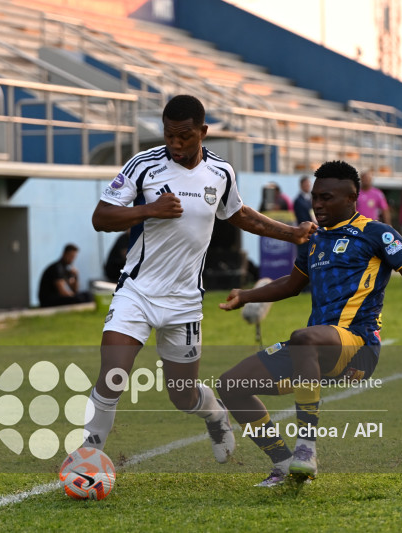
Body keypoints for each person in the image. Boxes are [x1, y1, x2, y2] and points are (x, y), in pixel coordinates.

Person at [82, 95, 317, 463]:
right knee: (113, 374)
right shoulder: (143, 166)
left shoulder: (220, 172)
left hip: (185, 301)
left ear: (203, 132)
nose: (175, 144)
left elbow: (237, 214)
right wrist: (149, 210)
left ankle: (214, 414)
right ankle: (88, 456)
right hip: (137, 292)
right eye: (169, 135)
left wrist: (291, 233)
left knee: (183, 395)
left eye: (184, 136)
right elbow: (100, 217)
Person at [217, 160, 402, 486]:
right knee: (231, 385)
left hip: (359, 344)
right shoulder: (314, 238)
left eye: (326, 198)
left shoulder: (377, 233)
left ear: (352, 199)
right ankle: (285, 463)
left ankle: (306, 449)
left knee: (305, 337)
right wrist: (247, 295)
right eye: (315, 197)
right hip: (314, 346)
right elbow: (291, 285)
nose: (317, 204)